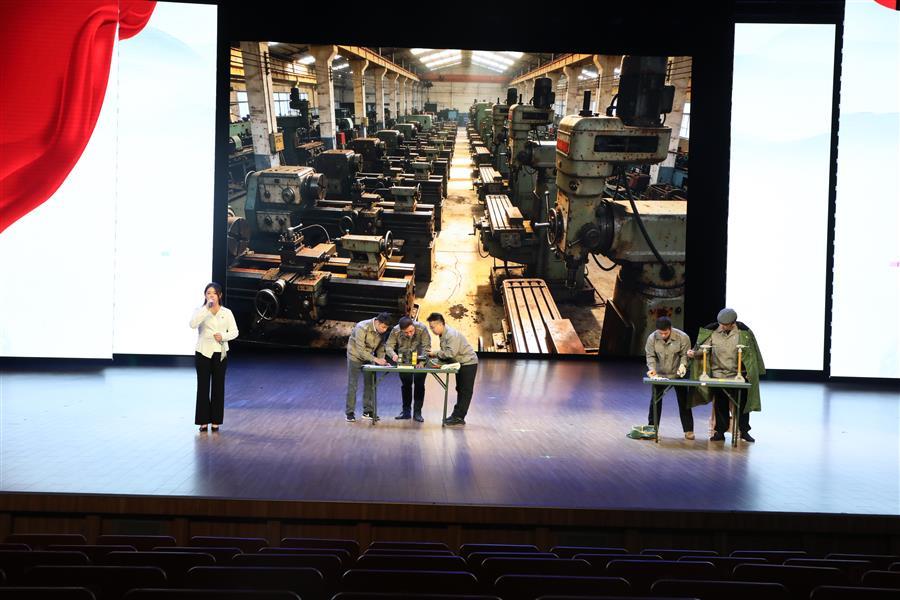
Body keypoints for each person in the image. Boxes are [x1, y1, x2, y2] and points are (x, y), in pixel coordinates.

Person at [687, 308, 766, 442]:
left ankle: (744, 431)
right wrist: (693, 353)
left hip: (738, 375)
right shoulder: (713, 332)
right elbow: (704, 349)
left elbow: (751, 354)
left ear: (733, 323)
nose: (722, 327)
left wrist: (750, 372)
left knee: (742, 403)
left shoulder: (743, 333)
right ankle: (720, 432)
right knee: (720, 404)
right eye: (721, 324)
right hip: (718, 374)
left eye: (725, 325)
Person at [189, 282, 239, 432]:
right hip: (203, 352)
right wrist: (206, 309)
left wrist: (223, 336)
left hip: (220, 353)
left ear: (220, 295)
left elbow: (235, 332)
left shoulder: (226, 312)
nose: (211, 295)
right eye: (208, 293)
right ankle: (203, 421)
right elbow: (192, 324)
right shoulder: (200, 310)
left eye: (214, 293)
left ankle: (216, 421)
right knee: (203, 387)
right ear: (205, 295)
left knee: (218, 387)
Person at [645, 316, 694, 439]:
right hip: (661, 374)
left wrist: (683, 365)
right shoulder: (652, 338)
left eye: (665, 333)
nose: (663, 335)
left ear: (670, 329)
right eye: (660, 333)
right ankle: (652, 429)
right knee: (655, 401)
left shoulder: (683, 337)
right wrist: (652, 369)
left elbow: (685, 355)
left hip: (679, 374)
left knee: (684, 401)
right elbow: (650, 356)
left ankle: (688, 430)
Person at [426, 312, 478, 426]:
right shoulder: (443, 334)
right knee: (460, 389)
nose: (432, 330)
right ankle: (457, 415)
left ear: (440, 324)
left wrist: (435, 353)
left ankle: (459, 417)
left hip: (468, 362)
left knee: (465, 390)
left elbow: (450, 353)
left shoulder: (451, 335)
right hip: (461, 362)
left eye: (433, 327)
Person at [345, 312, 391, 422]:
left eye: (386, 328)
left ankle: (368, 411)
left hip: (369, 357)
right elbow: (360, 350)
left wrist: (382, 361)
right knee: (353, 385)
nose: (384, 330)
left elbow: (381, 347)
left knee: (370, 385)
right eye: (383, 327)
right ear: (377, 322)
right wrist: (376, 360)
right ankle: (350, 413)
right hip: (355, 356)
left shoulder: (382, 331)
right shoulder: (362, 327)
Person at [385, 315, 431, 422]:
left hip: (420, 360)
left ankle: (417, 413)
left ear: (413, 325)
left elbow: (427, 347)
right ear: (401, 330)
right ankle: (406, 412)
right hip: (404, 361)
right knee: (406, 385)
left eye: (411, 331)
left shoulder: (422, 328)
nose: (409, 334)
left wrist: (422, 362)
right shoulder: (396, 330)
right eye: (406, 333)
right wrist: (393, 355)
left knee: (419, 385)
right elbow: (388, 346)